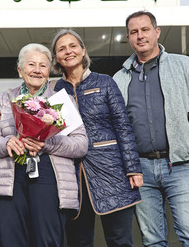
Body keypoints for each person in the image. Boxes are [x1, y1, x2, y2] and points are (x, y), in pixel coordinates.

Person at [113, 10, 189, 246]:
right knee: (152, 240)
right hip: (140, 170)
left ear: (157, 32)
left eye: (145, 30)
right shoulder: (120, 78)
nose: (140, 36)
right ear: (128, 37)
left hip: (182, 166)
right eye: (134, 32)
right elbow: (117, 127)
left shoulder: (184, 65)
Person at [0, 43, 88, 247]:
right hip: (11, 177)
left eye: (43, 65)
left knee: (46, 241)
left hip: (50, 176)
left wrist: (46, 143)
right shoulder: (7, 98)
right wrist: (7, 142)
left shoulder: (62, 100)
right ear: (20, 70)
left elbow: (81, 144)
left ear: (49, 70)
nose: (37, 70)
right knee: (11, 240)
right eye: (31, 64)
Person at [51, 29, 143, 247]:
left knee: (119, 240)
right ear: (56, 58)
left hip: (112, 172)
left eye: (73, 46)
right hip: (73, 177)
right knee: (78, 241)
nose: (68, 51)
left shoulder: (105, 82)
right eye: (61, 49)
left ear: (83, 51)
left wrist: (133, 168)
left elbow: (123, 126)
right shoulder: (54, 90)